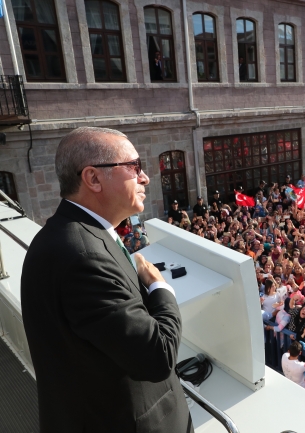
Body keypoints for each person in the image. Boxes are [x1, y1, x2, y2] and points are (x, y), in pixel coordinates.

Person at [21, 127, 192, 433]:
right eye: (133, 167)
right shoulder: (82, 256)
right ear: (93, 178)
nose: (145, 178)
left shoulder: (72, 234)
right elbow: (158, 355)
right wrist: (159, 287)